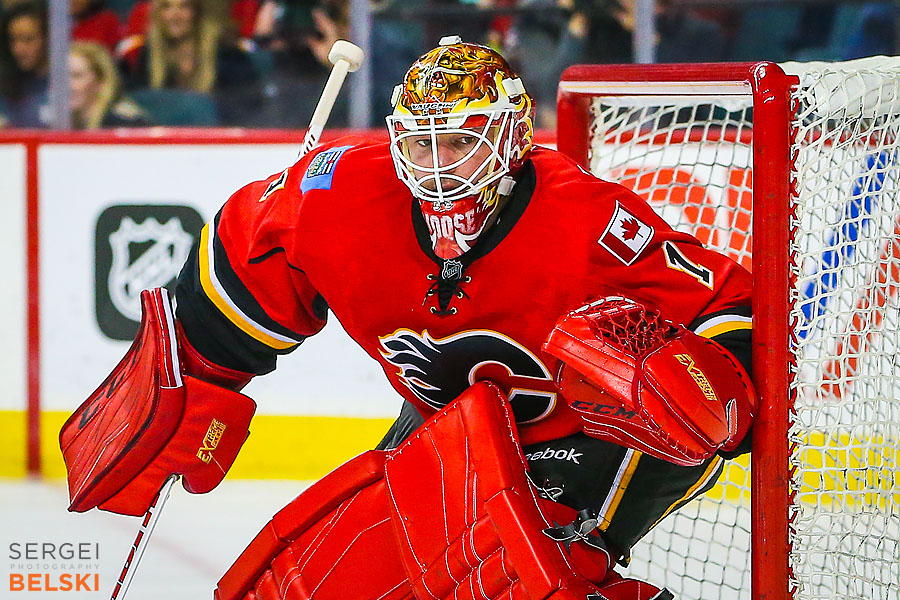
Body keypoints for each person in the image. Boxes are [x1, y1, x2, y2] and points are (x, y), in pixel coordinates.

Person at [60, 38, 756, 598]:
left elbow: (726, 303)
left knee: (529, 576)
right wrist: (202, 370)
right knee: (368, 577)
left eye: (458, 141)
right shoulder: (339, 194)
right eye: (420, 143)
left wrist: (722, 393)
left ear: (511, 136)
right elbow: (250, 242)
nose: (435, 165)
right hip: (455, 421)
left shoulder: (588, 219)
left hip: (594, 433)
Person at [119, 0, 262, 125]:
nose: (175, 16)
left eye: (184, 7)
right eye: (166, 7)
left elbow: (248, 105)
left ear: (197, 12)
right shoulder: (148, 54)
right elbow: (139, 99)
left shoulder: (225, 53)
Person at [69, 41, 148, 128]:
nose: (66, 85)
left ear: (101, 81)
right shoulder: (59, 122)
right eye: (60, 76)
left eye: (76, 76)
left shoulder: (127, 124)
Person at [0, 0, 49, 127]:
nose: (18, 49)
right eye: (13, 39)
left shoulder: (69, 84)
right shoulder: (4, 84)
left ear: (48, 38)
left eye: (28, 39)